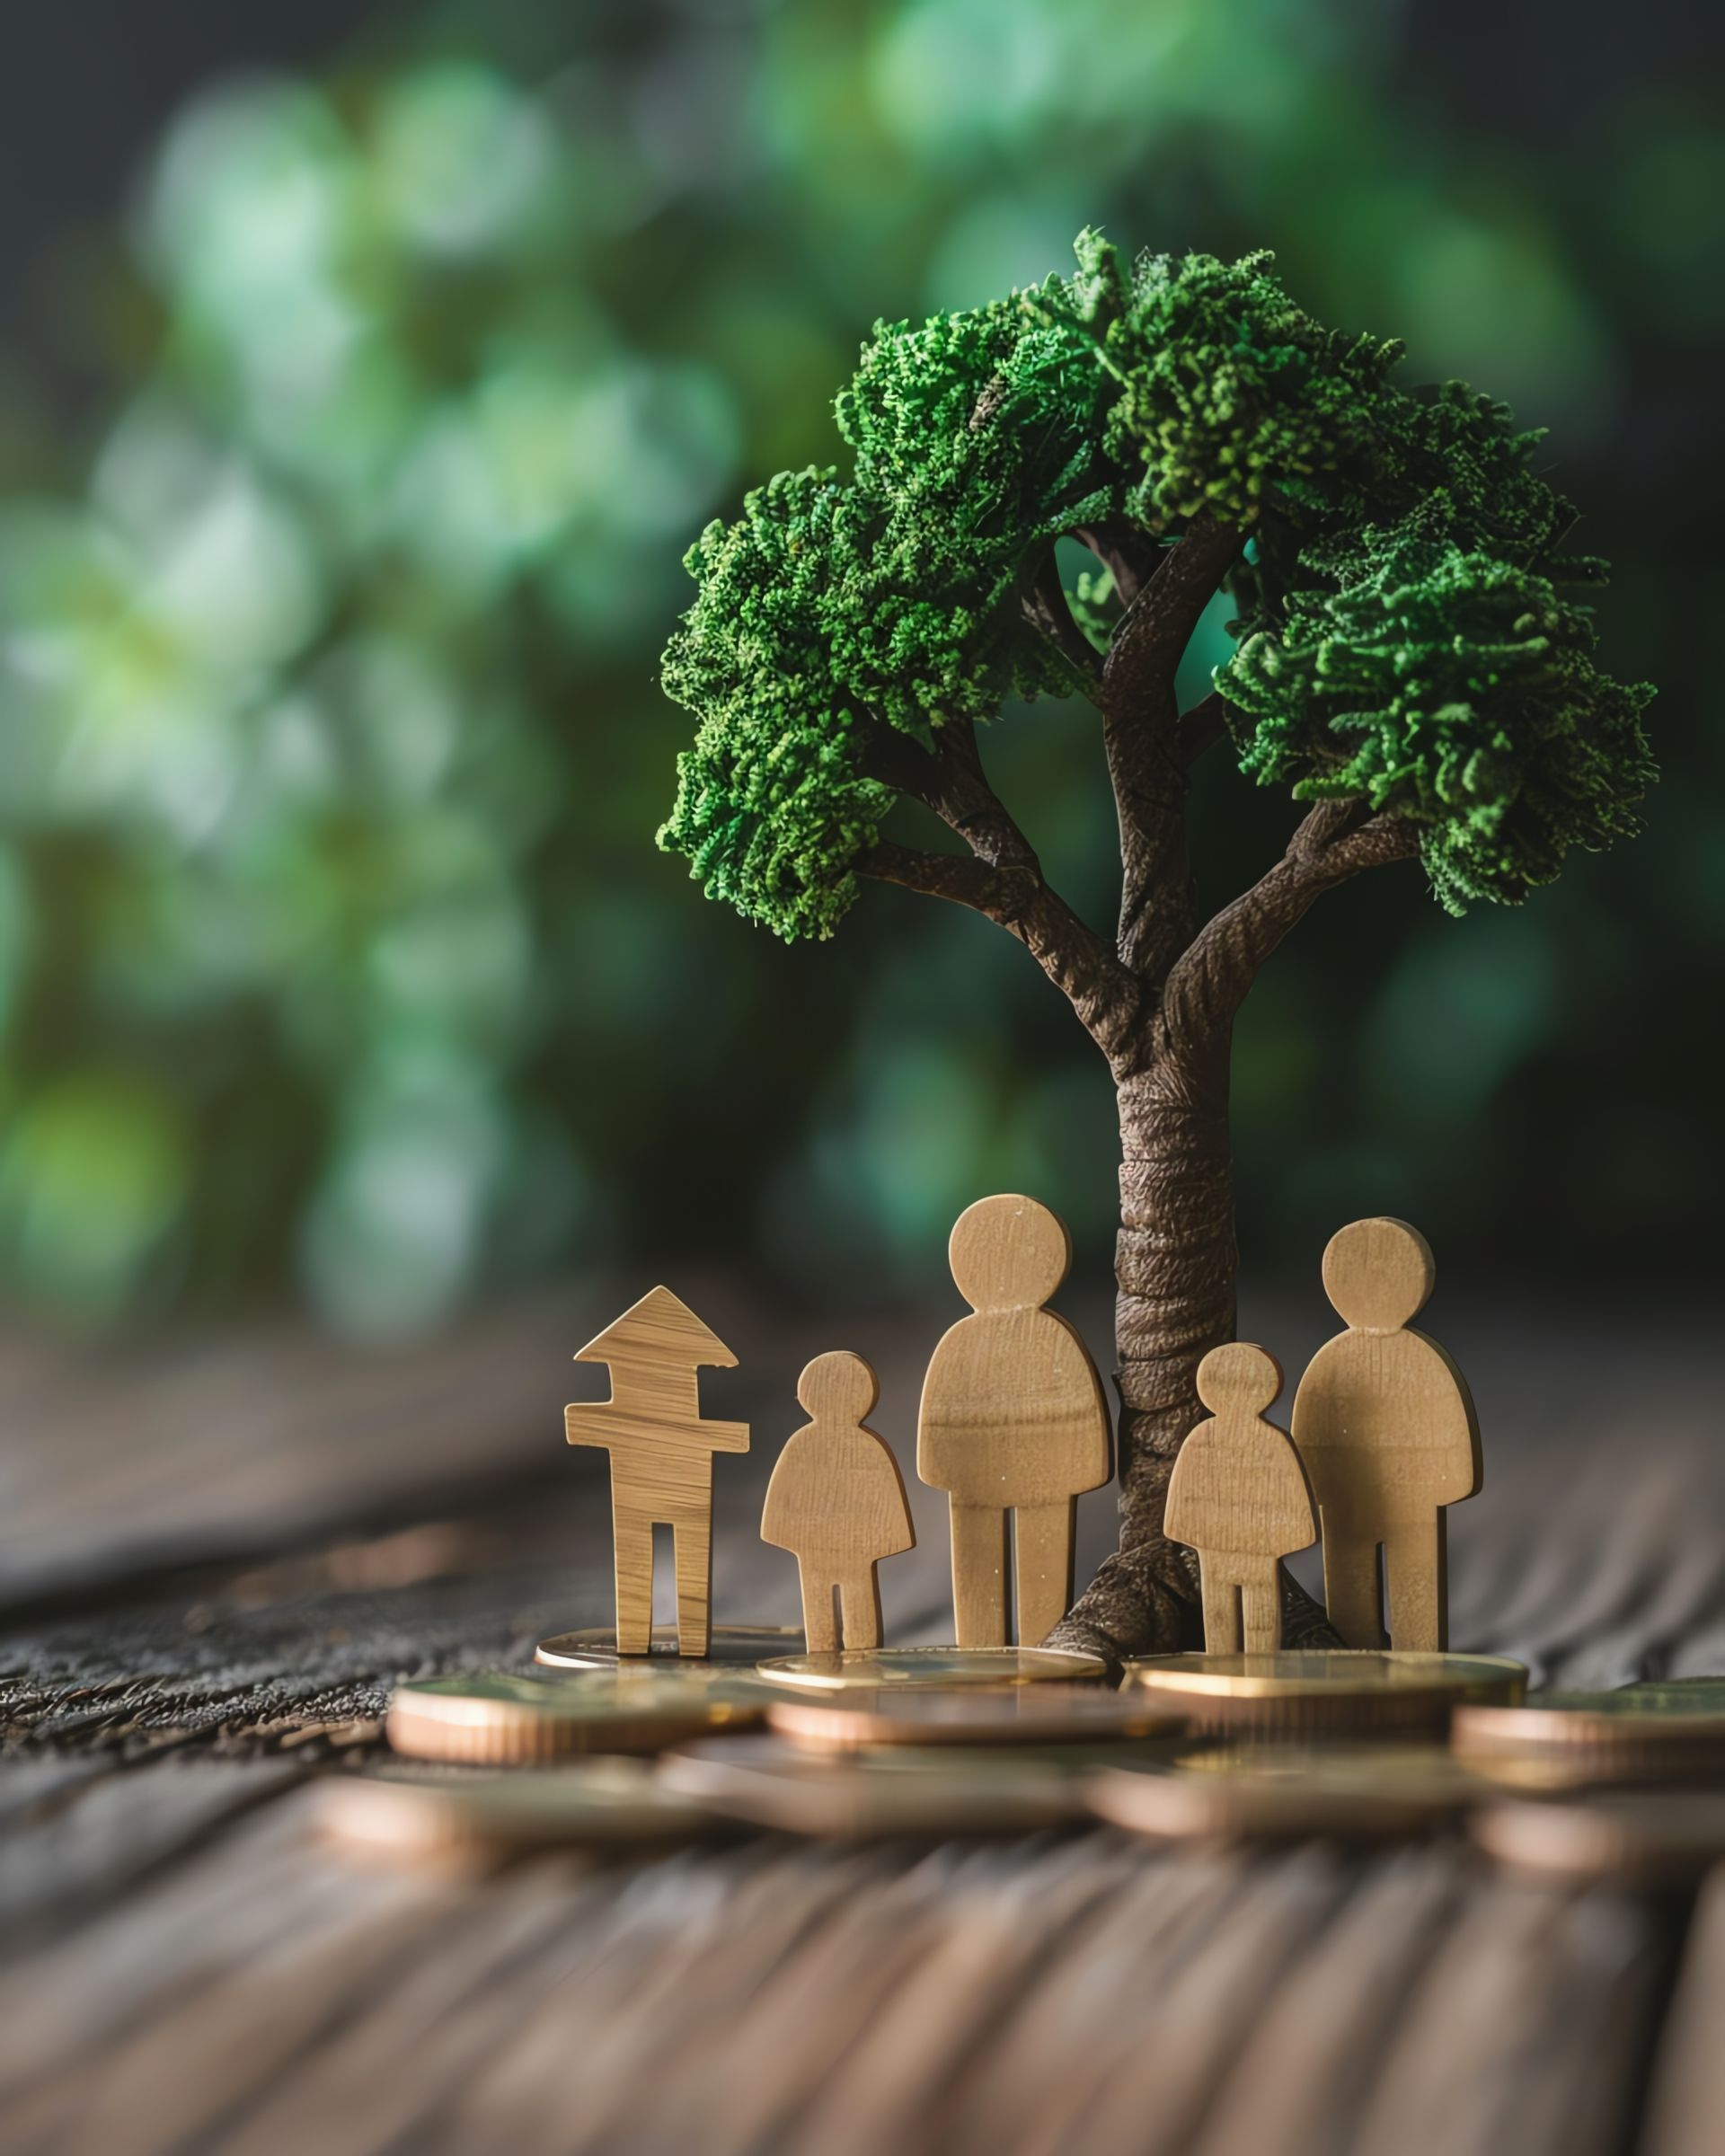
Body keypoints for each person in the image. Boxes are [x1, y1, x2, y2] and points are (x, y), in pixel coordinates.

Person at [918, 1194, 1111, 1647]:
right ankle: (988, 1648)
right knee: (979, 1580)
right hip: (978, 1487)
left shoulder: (1049, 1337)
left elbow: (1080, 1416)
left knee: (1043, 1590)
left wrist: (1084, 1467)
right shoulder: (961, 1343)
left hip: (1044, 1482)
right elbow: (940, 1424)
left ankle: (1041, 1650)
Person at [1291, 1217, 1482, 1651]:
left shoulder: (1421, 1359)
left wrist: (1446, 1486)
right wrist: (1313, 1489)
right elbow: (1311, 1438)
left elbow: (1450, 1439)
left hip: (1413, 1504)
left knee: (1417, 1600)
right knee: (1349, 1601)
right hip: (1345, 1501)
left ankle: (1418, 1669)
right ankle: (1359, 1670)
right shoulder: (1331, 1362)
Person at [760, 1351, 915, 1653]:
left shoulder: (822, 1444)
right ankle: (830, 1657)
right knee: (826, 1612)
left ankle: (854, 1659)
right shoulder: (807, 1444)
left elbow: (885, 1502)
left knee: (852, 1612)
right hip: (821, 1546)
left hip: (851, 1547)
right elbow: (784, 1499)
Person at [1165, 1342, 1314, 1653]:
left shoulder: (1215, 1438)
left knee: (1248, 1620)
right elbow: (1184, 1498)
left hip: (1248, 1549)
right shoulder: (1205, 1439)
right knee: (1222, 1619)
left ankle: (1252, 1681)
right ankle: (1233, 1680)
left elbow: (1291, 1500)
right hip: (1227, 1549)